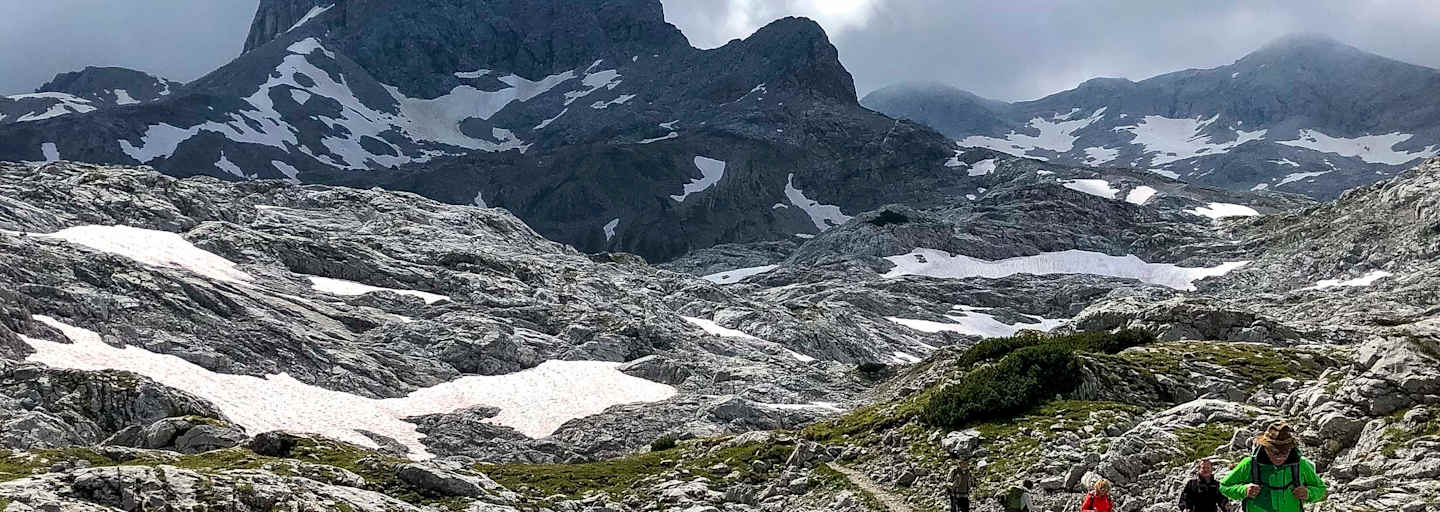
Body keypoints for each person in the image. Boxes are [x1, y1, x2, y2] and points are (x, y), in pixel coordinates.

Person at [1220, 422, 1326, 512]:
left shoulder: (1300, 464)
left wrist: (1308, 493)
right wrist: (1243, 490)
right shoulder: (1249, 464)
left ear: (1291, 448)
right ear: (1265, 448)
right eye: (1274, 452)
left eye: (1284, 452)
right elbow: (1224, 486)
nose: (1279, 457)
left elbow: (1321, 490)